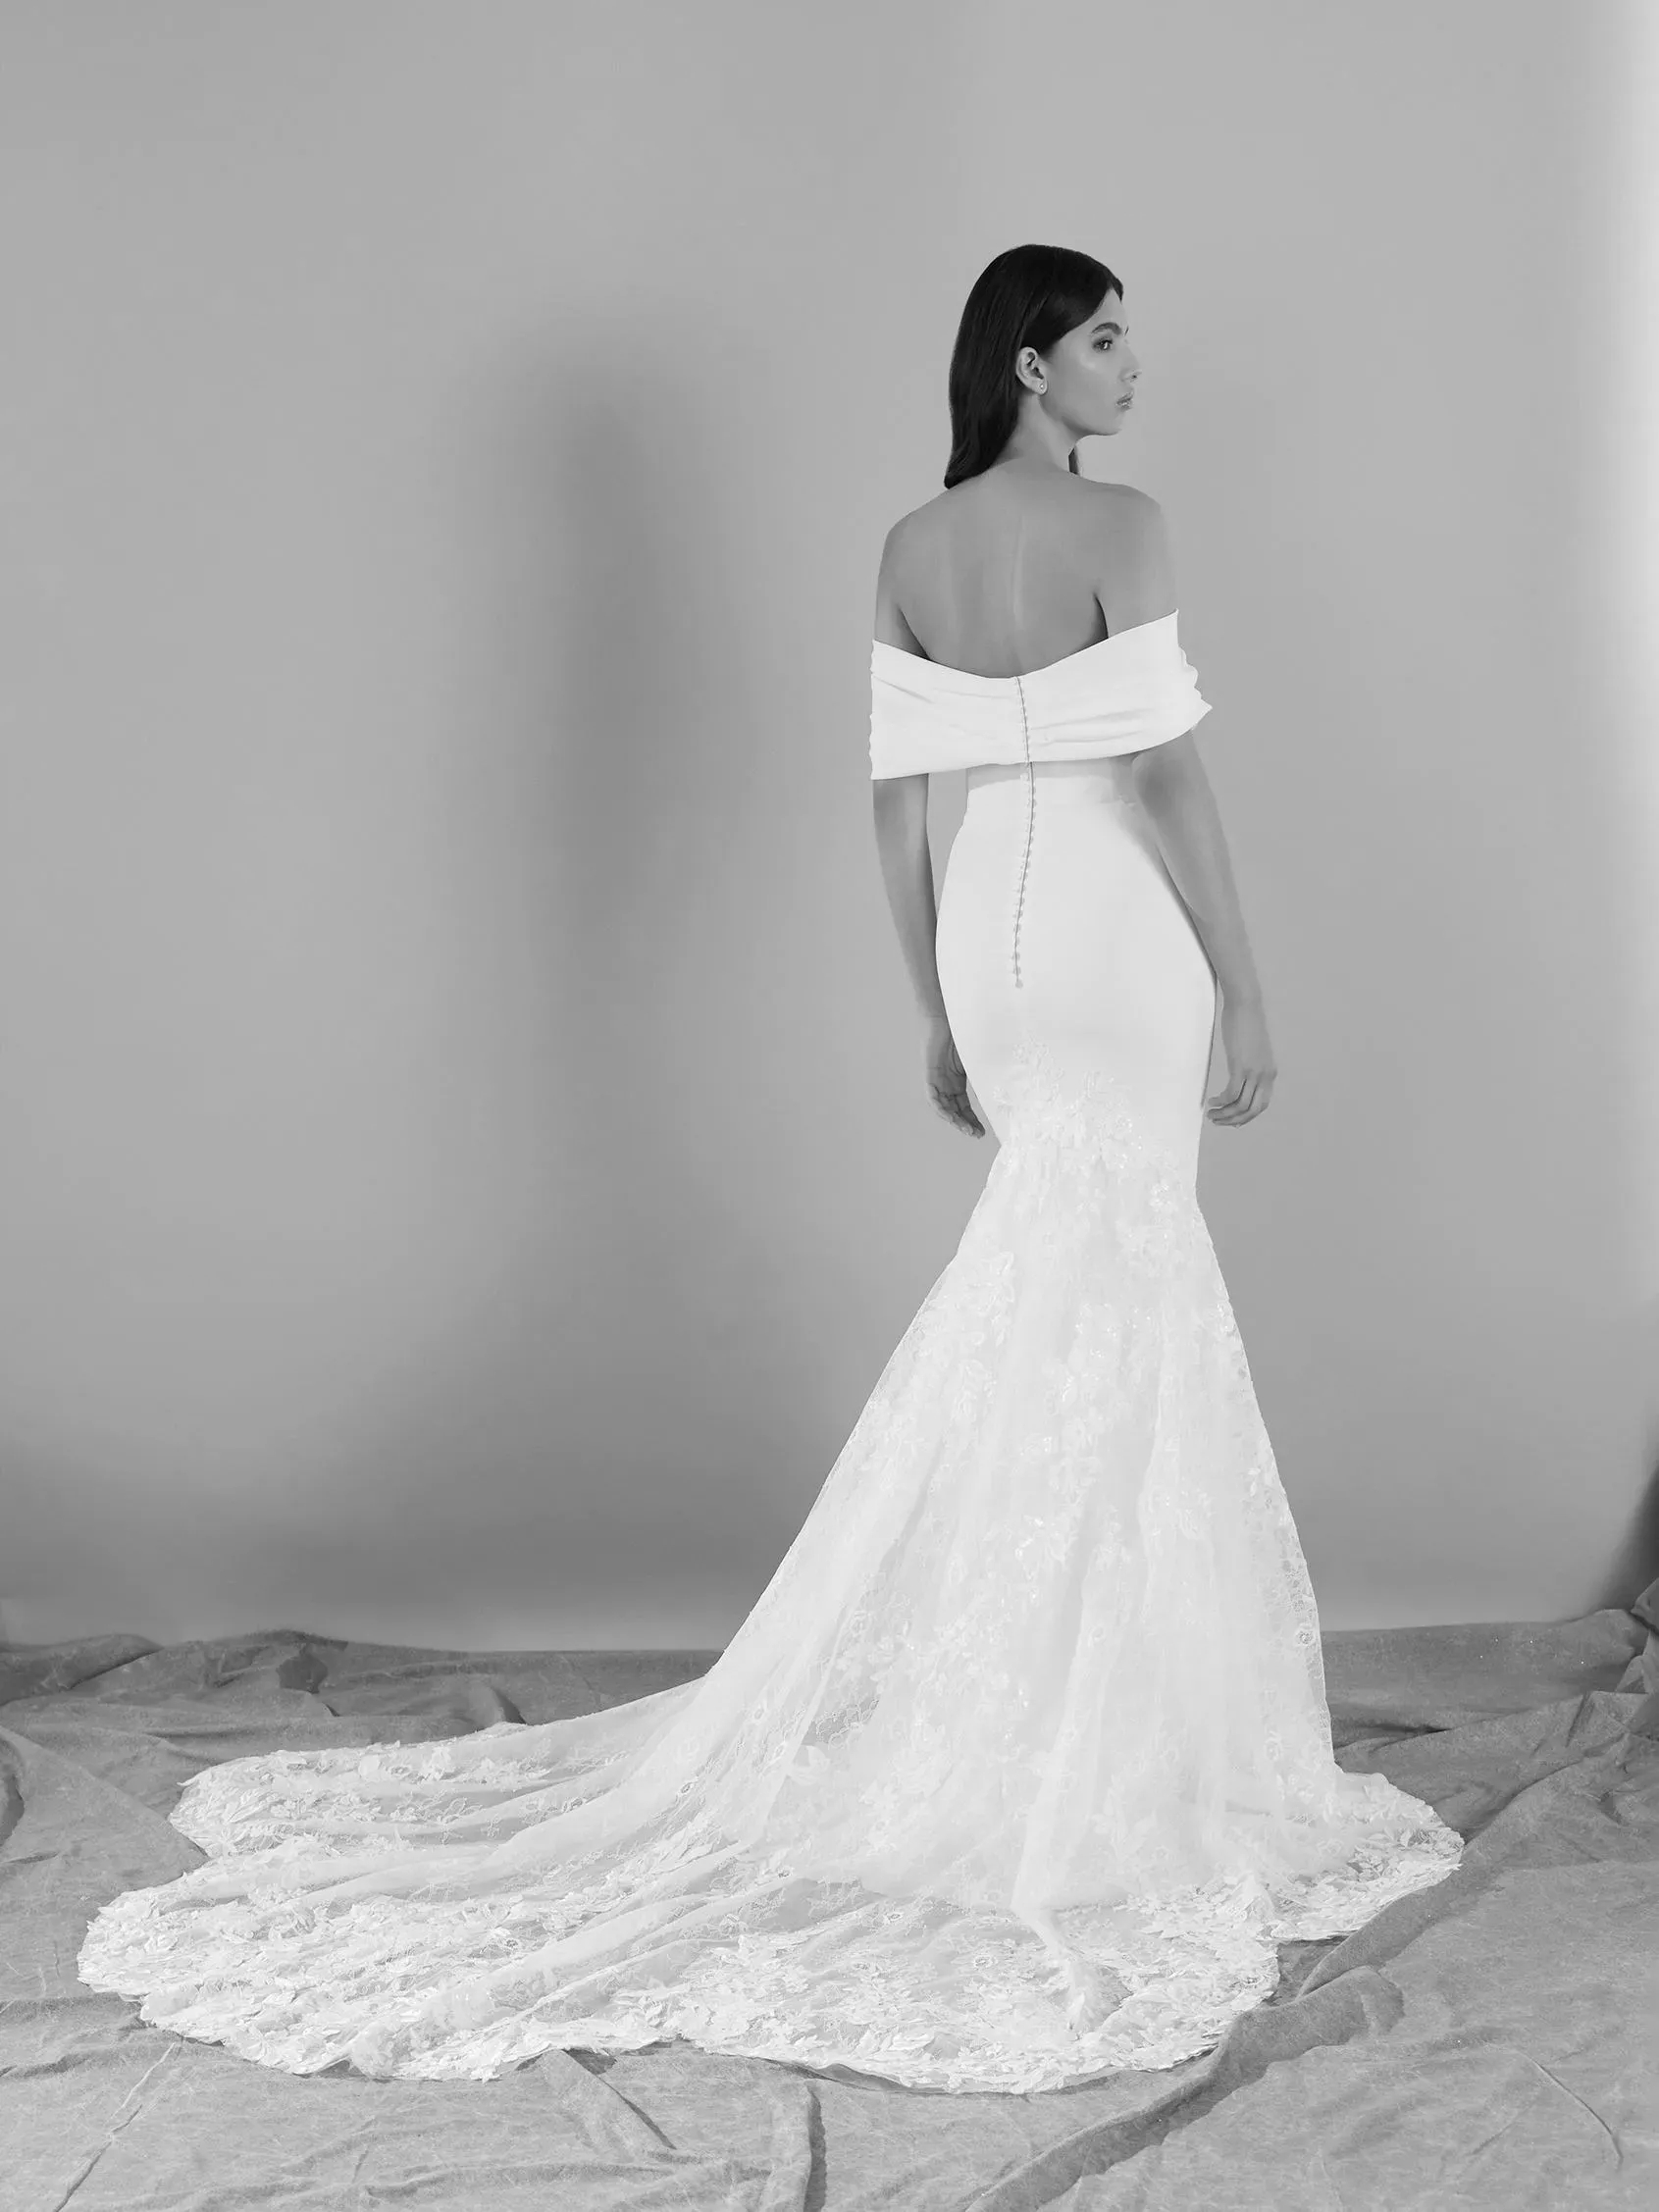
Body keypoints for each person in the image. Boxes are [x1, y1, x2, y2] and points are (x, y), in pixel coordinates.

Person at [77, 244, 1462, 2095]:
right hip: (1121, 927)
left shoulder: (908, 543)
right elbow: (1165, 777)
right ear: (1035, 364)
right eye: (1111, 340)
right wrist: (1249, 985)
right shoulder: (1119, 519)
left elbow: (896, 799)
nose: (1138, 370)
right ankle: (1086, 1726)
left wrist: (938, 1014)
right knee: (1120, 1281)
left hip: (990, 924)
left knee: (1062, 1275)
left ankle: (1057, 1689)